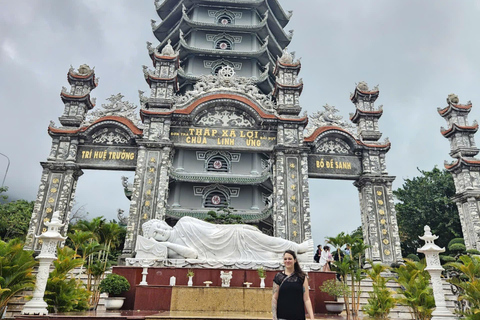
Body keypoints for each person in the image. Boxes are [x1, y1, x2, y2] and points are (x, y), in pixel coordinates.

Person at [140, 216, 313, 262]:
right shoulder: (172, 249)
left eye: (159, 226)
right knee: (263, 256)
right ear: (154, 239)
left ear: (163, 223)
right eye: (156, 233)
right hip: (220, 253)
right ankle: (297, 257)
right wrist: (168, 243)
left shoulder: (184, 221)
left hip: (229, 235)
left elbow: (213, 228)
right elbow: (193, 255)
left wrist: (237, 228)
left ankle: (297, 247)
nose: (161, 231)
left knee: (264, 240)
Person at [272, 250, 315, 320]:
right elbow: (274, 298)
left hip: (298, 316)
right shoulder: (278, 277)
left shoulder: (302, 277)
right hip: (282, 316)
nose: (287, 261)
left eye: (290, 259)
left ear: (295, 260)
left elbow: (306, 299)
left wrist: (312, 317)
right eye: (285, 259)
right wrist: (274, 317)